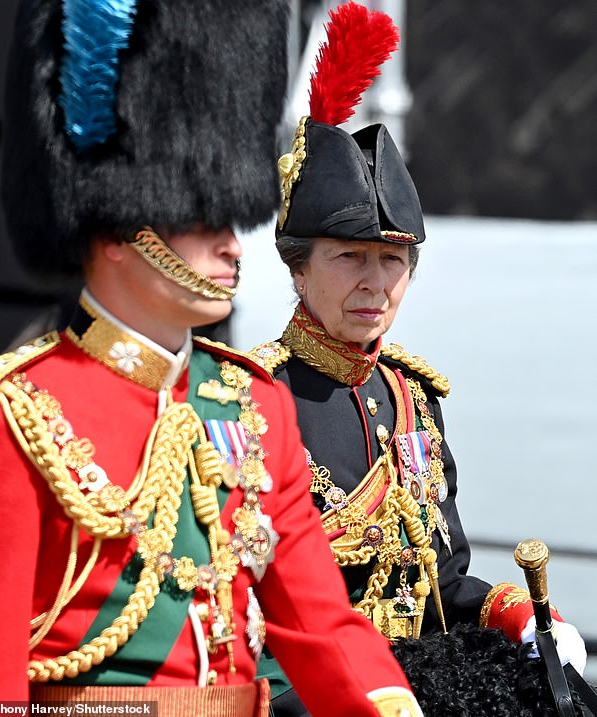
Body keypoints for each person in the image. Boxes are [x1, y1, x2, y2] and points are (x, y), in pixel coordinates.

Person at [0, 1, 424, 715]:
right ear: (118, 223)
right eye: (201, 218)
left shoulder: (253, 402)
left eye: (231, 216)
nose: (234, 243)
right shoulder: (9, 414)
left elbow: (322, 626)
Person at [249, 3, 588, 715]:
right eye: (349, 258)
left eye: (393, 259)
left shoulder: (412, 399)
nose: (376, 282)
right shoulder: (254, 399)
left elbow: (444, 579)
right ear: (298, 268)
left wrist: (520, 618)